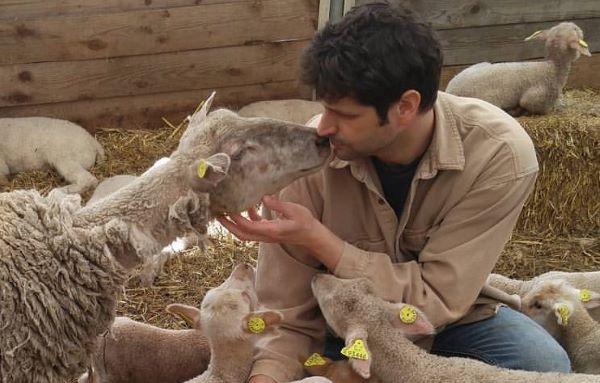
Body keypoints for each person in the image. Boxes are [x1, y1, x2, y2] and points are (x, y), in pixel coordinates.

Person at [218, 2, 569, 382]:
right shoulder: (308, 159)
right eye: (325, 109)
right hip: (339, 323)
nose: (323, 128)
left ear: (405, 106)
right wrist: (266, 378)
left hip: (444, 322)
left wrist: (320, 241)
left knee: (542, 362)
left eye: (346, 115)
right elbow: (287, 315)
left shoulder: (498, 155)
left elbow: (438, 298)